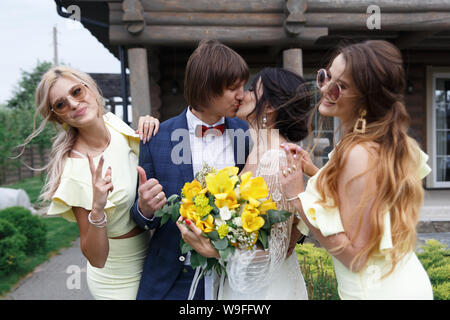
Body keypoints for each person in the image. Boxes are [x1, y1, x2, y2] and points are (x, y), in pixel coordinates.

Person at [280, 40, 433, 299]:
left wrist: (298, 199)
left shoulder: (359, 152)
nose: (326, 89)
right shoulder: (382, 140)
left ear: (366, 99)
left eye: (340, 87)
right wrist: (315, 172)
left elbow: (355, 257)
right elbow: (361, 201)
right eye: (325, 76)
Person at [25, 66, 160, 300]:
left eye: (76, 92)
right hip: (118, 281)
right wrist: (98, 209)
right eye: (61, 104)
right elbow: (96, 258)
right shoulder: (75, 169)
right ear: (58, 116)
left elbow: (143, 160)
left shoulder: (114, 124)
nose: (74, 104)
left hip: (153, 262)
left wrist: (151, 124)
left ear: (90, 89)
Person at [130, 39, 251, 300]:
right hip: (174, 280)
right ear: (206, 87)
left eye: (243, 86)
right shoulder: (157, 137)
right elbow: (139, 218)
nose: (242, 95)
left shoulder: (246, 135)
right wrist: (146, 208)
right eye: (233, 88)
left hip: (232, 279)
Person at [177, 67, 311, 300]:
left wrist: (215, 251)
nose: (242, 95)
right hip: (244, 285)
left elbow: (273, 252)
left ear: (269, 107)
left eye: (251, 90)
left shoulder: (275, 158)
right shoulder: (255, 151)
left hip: (264, 292)